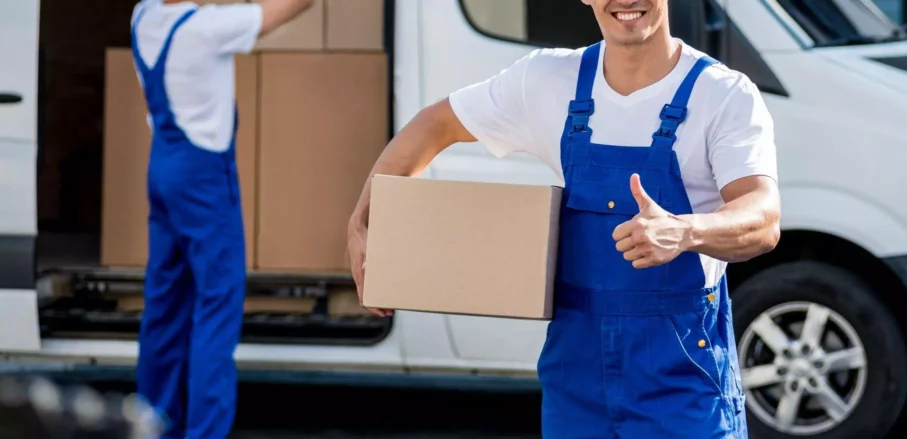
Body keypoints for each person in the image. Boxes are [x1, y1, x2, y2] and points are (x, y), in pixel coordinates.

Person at [348, 0, 780, 436]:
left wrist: (685, 231)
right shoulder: (548, 80)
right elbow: (434, 125)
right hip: (576, 379)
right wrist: (365, 223)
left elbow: (762, 217)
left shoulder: (723, 94)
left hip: (681, 375)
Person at [129, 0, 313, 437]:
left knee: (164, 306)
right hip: (204, 178)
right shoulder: (207, 28)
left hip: (164, 167)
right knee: (216, 309)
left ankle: (152, 426)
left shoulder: (143, 15)